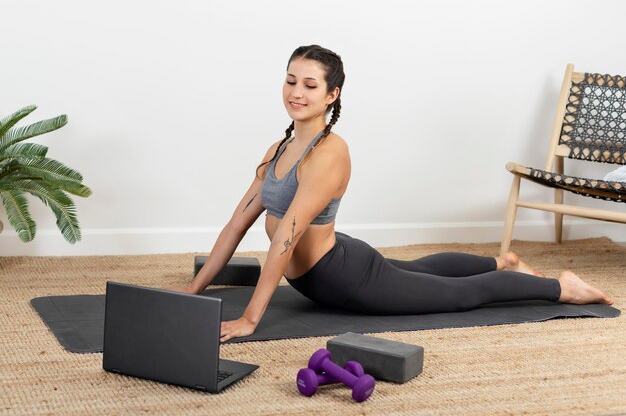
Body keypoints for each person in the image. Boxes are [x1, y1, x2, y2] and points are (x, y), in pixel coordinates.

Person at [172, 45, 613, 342]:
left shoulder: (328, 153)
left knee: (455, 296)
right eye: (290, 81)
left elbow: (285, 236)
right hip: (338, 258)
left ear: (332, 94)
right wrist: (194, 290)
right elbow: (237, 222)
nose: (296, 92)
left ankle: (562, 287)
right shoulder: (279, 147)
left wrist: (251, 319)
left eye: (310, 85)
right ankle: (504, 261)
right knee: (420, 270)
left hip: (345, 278)